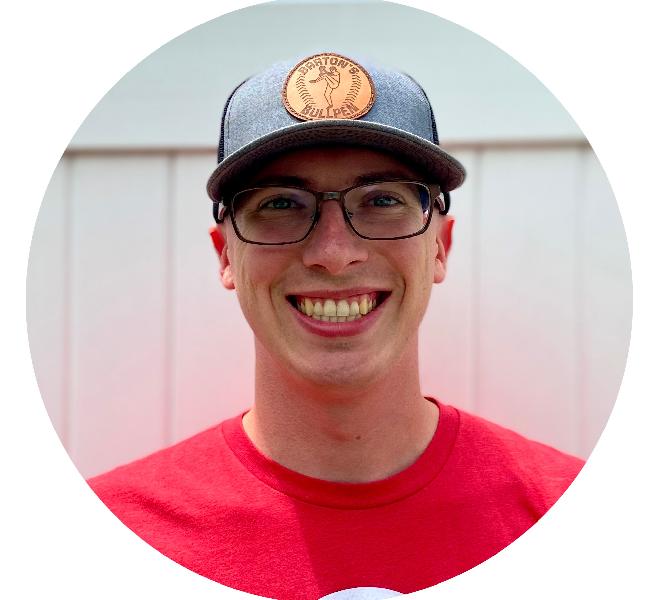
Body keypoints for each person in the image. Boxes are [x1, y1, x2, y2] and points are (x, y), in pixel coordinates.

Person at [89, 52, 584, 600]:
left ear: (440, 248)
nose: (333, 252)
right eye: (280, 203)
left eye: (382, 200)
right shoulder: (107, 541)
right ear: (226, 255)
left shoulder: (572, 519)